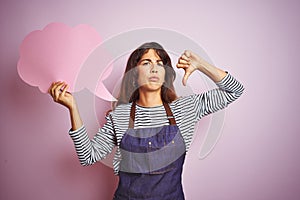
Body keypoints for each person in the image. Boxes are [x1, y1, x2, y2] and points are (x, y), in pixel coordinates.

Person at [48, 42, 244, 200]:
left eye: (160, 63)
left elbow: (235, 90)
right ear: (134, 75)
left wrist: (201, 64)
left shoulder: (185, 109)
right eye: (146, 63)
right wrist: (72, 107)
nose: (154, 68)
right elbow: (87, 156)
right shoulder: (120, 116)